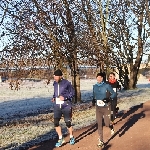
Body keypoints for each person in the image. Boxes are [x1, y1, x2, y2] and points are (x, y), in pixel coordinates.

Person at [51, 69, 75, 147]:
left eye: (56, 77)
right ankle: (61, 138)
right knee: (56, 122)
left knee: (68, 123)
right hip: (57, 106)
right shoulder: (54, 83)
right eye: (54, 77)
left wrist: (65, 97)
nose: (55, 78)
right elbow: (55, 93)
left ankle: (71, 137)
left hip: (66, 105)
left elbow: (72, 93)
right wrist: (54, 97)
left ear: (60, 76)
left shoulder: (67, 83)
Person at [92, 72, 116, 148]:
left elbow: (114, 94)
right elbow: (94, 95)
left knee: (106, 123)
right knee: (99, 124)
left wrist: (108, 98)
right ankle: (101, 141)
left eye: (100, 77)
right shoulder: (95, 86)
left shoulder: (107, 86)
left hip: (106, 107)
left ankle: (111, 126)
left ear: (102, 78)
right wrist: (93, 100)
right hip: (98, 108)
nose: (98, 79)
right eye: (97, 77)